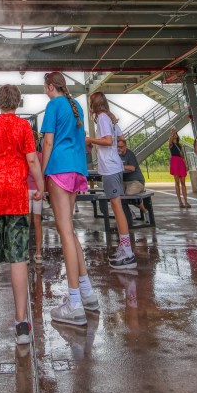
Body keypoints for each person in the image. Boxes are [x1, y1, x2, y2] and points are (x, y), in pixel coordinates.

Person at [0, 85, 43, 347]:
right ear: (19, 101)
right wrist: (41, 187)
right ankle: (21, 324)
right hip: (16, 198)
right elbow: (32, 161)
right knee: (18, 259)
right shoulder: (23, 127)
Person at [41, 71, 99, 327]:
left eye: (45, 86)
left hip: (59, 168)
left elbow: (48, 142)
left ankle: (74, 303)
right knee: (69, 230)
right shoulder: (76, 106)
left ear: (51, 86)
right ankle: (86, 292)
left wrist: (42, 172)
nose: (45, 90)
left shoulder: (54, 104)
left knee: (64, 230)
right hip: (77, 169)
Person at [86, 91, 137, 270]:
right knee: (117, 208)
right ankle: (124, 247)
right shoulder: (110, 118)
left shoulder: (101, 117)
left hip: (110, 167)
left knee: (117, 208)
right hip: (114, 166)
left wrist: (90, 139)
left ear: (94, 104)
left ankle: (128, 252)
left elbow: (108, 141)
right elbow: (120, 138)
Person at [117, 135, 147, 226]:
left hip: (136, 181)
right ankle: (129, 212)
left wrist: (121, 167)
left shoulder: (130, 154)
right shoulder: (116, 155)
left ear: (125, 147)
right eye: (117, 147)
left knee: (128, 195)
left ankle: (145, 211)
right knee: (116, 194)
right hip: (124, 182)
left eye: (121, 147)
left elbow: (132, 168)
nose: (119, 149)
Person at [28, 133, 44, 263]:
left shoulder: (24, 156)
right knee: (37, 222)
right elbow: (43, 173)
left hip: (25, 190)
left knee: (25, 223)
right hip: (38, 190)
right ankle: (38, 253)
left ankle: (25, 254)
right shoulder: (40, 156)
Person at [168, 128, 190, 209]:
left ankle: (186, 201)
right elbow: (170, 140)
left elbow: (183, 156)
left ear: (177, 136)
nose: (174, 135)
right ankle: (180, 202)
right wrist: (172, 133)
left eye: (175, 134)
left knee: (183, 183)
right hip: (174, 162)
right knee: (177, 182)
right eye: (173, 134)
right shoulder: (171, 144)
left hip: (180, 162)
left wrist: (186, 165)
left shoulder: (180, 145)